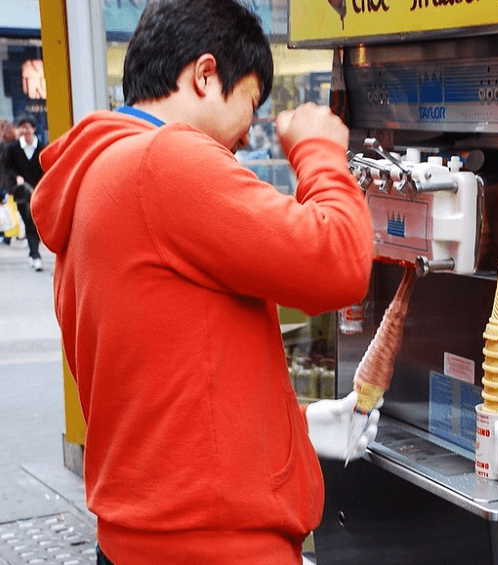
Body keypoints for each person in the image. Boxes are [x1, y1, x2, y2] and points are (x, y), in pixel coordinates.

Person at [31, 1, 379, 564]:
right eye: (251, 101)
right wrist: (318, 148)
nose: (247, 135)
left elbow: (167, 381)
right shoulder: (164, 161)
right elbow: (339, 261)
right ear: (205, 74)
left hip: (139, 541)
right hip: (212, 547)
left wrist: (294, 427)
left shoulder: (96, 174)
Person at [6, 114, 45, 269]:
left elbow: (47, 168)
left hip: (39, 191)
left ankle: (32, 251)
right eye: (22, 127)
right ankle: (36, 255)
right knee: (29, 221)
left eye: (27, 127)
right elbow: (8, 168)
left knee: (37, 222)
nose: (25, 130)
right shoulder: (14, 148)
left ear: (34, 129)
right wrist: (17, 177)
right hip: (22, 192)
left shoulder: (42, 147)